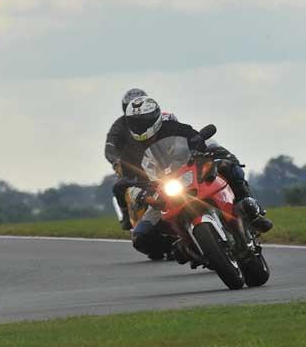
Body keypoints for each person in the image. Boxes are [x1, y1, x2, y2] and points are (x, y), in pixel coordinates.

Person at [121, 96, 273, 258]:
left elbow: (196, 139)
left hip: (191, 174)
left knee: (227, 166)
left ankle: (251, 209)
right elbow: (129, 180)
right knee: (140, 237)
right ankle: (178, 248)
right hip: (162, 192)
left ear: (156, 117)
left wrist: (201, 152)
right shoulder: (130, 150)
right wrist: (141, 194)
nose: (140, 126)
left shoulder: (173, 127)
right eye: (135, 123)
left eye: (144, 120)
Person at [106, 88, 178, 230]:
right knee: (119, 187)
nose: (140, 117)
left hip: (161, 159)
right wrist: (116, 161)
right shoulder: (119, 126)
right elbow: (110, 147)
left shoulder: (162, 120)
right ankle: (127, 216)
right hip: (133, 164)